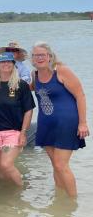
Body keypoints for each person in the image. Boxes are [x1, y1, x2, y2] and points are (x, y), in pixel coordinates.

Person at [31, 41, 89, 197]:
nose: (39, 58)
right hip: (46, 125)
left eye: (42, 55)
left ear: (50, 56)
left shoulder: (62, 71)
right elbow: (26, 88)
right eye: (36, 55)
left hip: (66, 123)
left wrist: (83, 123)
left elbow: (80, 95)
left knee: (60, 164)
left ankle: (72, 202)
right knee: (55, 166)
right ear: (32, 58)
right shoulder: (34, 75)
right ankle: (60, 200)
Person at [0, 52, 35, 186]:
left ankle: (21, 191)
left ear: (14, 65)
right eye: (2, 62)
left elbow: (28, 110)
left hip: (13, 133)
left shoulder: (21, 85)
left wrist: (23, 133)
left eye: (9, 62)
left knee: (6, 164)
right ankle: (6, 195)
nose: (6, 64)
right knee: (0, 168)